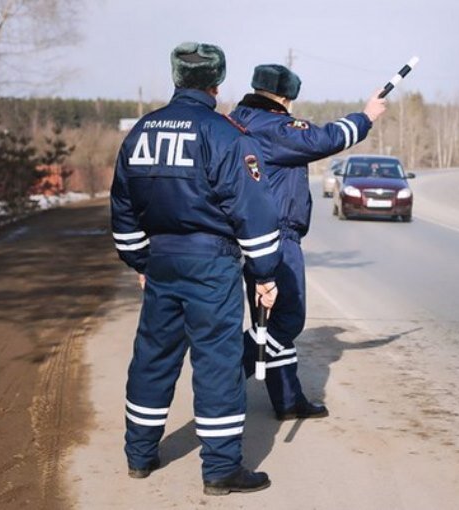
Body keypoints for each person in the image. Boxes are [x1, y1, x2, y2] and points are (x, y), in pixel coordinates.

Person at [110, 42, 281, 496]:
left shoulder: (141, 132)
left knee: (152, 358)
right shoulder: (225, 134)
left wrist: (140, 261)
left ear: (175, 76)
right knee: (218, 365)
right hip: (211, 266)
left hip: (161, 264)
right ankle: (221, 469)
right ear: (216, 82)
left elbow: (123, 208)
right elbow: (252, 209)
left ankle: (139, 456)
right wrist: (265, 273)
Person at [229, 64, 387, 420]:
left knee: (269, 318)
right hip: (276, 237)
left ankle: (288, 400)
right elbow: (323, 139)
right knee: (285, 319)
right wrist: (365, 117)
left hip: (245, 234)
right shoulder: (274, 125)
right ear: (284, 98)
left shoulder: (236, 119)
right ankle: (225, 375)